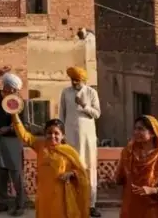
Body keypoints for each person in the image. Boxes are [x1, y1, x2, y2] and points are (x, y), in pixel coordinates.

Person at [11, 115, 90, 218]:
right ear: (45, 134)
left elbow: (82, 173)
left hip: (62, 196)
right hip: (44, 195)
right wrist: (15, 115)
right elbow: (24, 136)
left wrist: (71, 173)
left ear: (63, 136)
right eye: (49, 133)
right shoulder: (41, 146)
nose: (52, 136)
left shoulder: (69, 151)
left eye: (56, 133)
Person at [0, 66, 29, 216]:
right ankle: (2, 203)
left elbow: (24, 125)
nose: (7, 90)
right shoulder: (0, 97)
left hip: (13, 141)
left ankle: (20, 205)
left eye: (9, 88)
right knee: (0, 171)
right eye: (6, 86)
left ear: (15, 89)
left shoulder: (20, 103)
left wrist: (8, 129)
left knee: (15, 173)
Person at [59, 67, 102, 217]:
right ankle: (73, 201)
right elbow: (61, 114)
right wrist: (61, 133)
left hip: (87, 137)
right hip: (71, 136)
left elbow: (97, 114)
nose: (74, 82)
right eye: (72, 79)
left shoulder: (91, 92)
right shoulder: (66, 92)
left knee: (89, 169)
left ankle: (91, 204)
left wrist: (84, 105)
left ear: (83, 80)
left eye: (77, 80)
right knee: (71, 167)